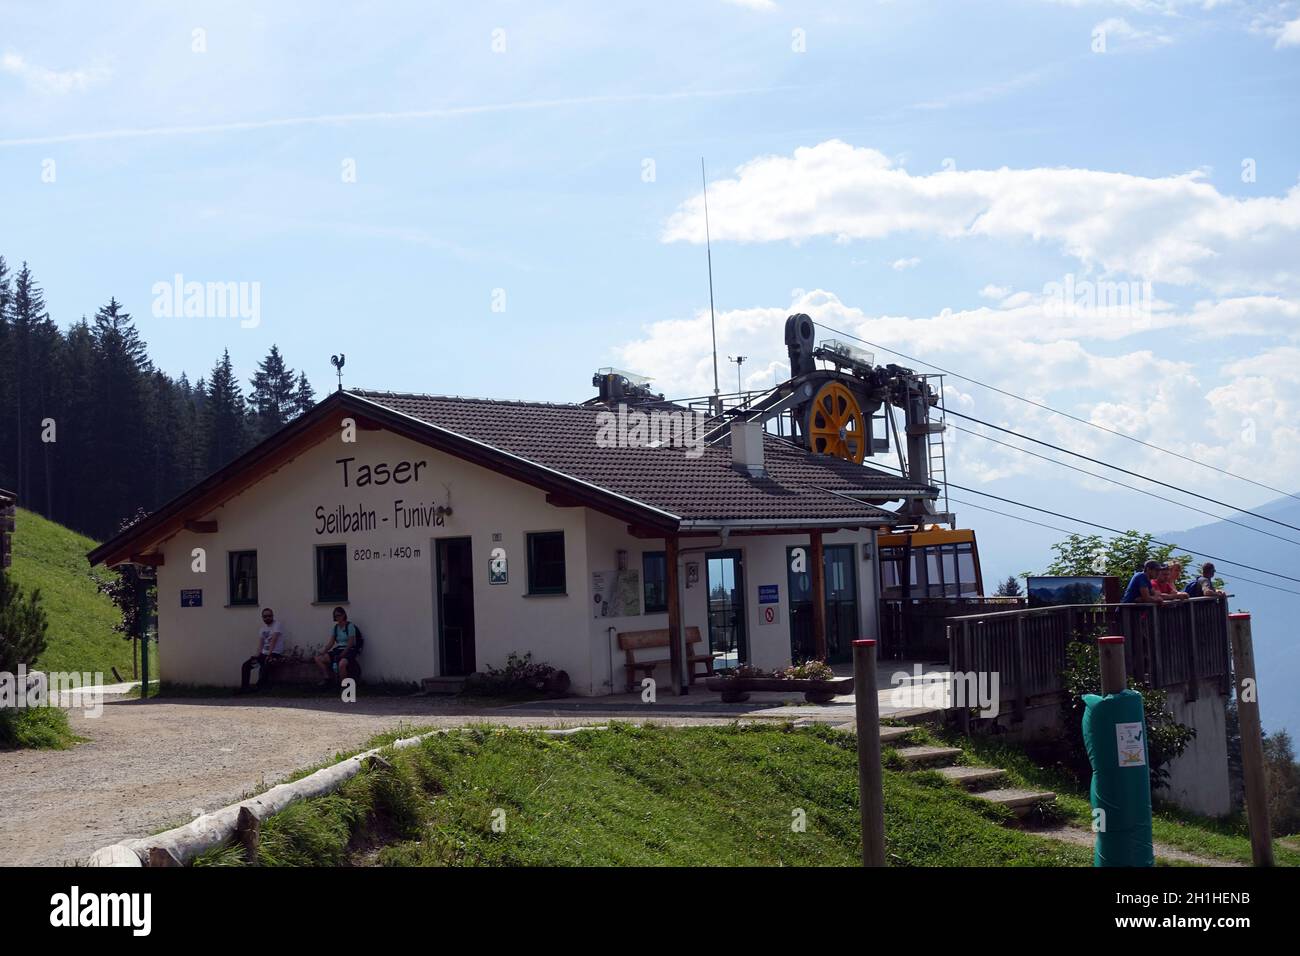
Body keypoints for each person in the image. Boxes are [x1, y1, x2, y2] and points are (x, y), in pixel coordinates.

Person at [239, 608, 285, 692]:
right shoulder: (262, 629)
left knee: (266, 665)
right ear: (262, 617)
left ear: (272, 616)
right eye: (265, 616)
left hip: (275, 654)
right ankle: (244, 688)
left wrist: (269, 654)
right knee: (246, 665)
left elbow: (274, 640)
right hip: (263, 654)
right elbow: (261, 643)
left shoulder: (277, 625)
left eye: (269, 616)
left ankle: (259, 687)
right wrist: (256, 655)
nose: (267, 618)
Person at [315, 606, 361, 687]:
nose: (337, 617)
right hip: (338, 649)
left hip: (349, 650)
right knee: (318, 658)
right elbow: (331, 643)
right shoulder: (335, 628)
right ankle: (327, 678)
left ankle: (344, 686)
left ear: (343, 615)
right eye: (335, 616)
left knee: (341, 664)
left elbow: (350, 643)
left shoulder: (350, 626)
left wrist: (343, 653)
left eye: (339, 615)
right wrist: (323, 651)